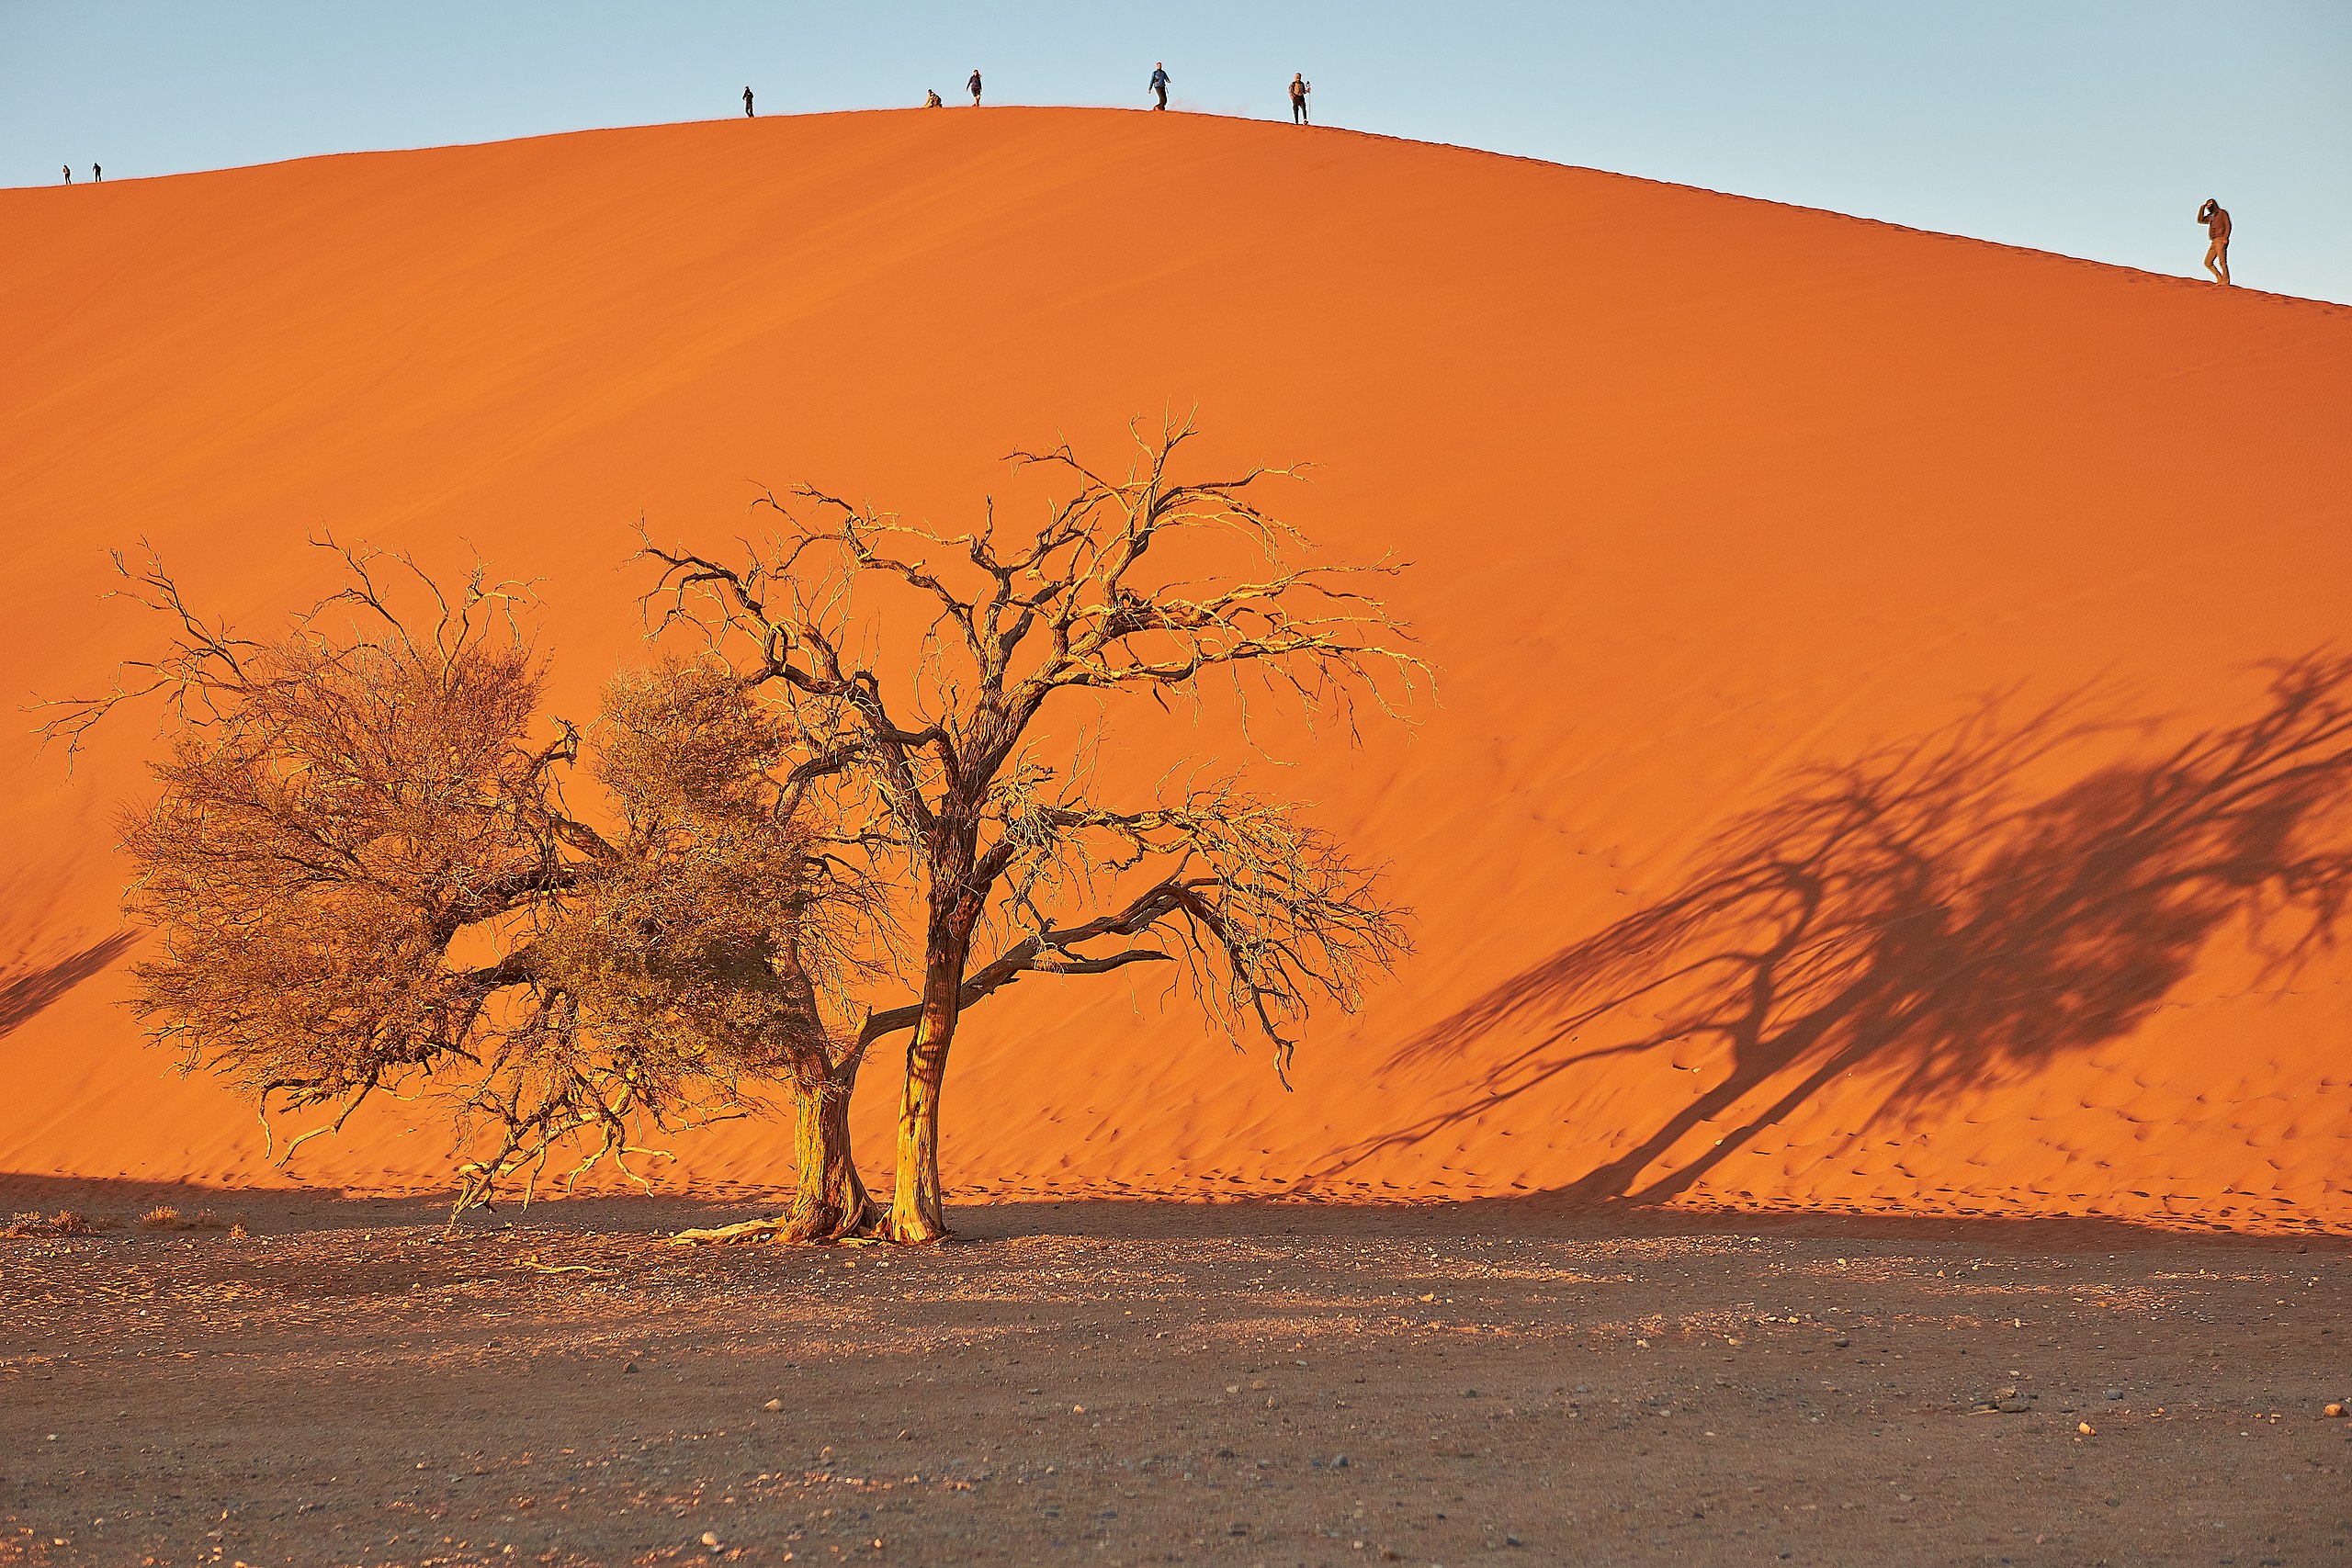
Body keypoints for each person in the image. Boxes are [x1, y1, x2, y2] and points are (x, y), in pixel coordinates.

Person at [2198, 197, 2232, 286]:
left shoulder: (2222, 213)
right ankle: (2219, 278)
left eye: (2210, 204)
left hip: (2220, 239)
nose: (2209, 206)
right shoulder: (2211, 216)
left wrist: (2225, 237)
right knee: (2207, 262)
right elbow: (2200, 220)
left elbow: (2228, 225)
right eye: (2208, 204)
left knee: (2222, 262)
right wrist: (2202, 208)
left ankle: (2226, 281)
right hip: (2213, 241)